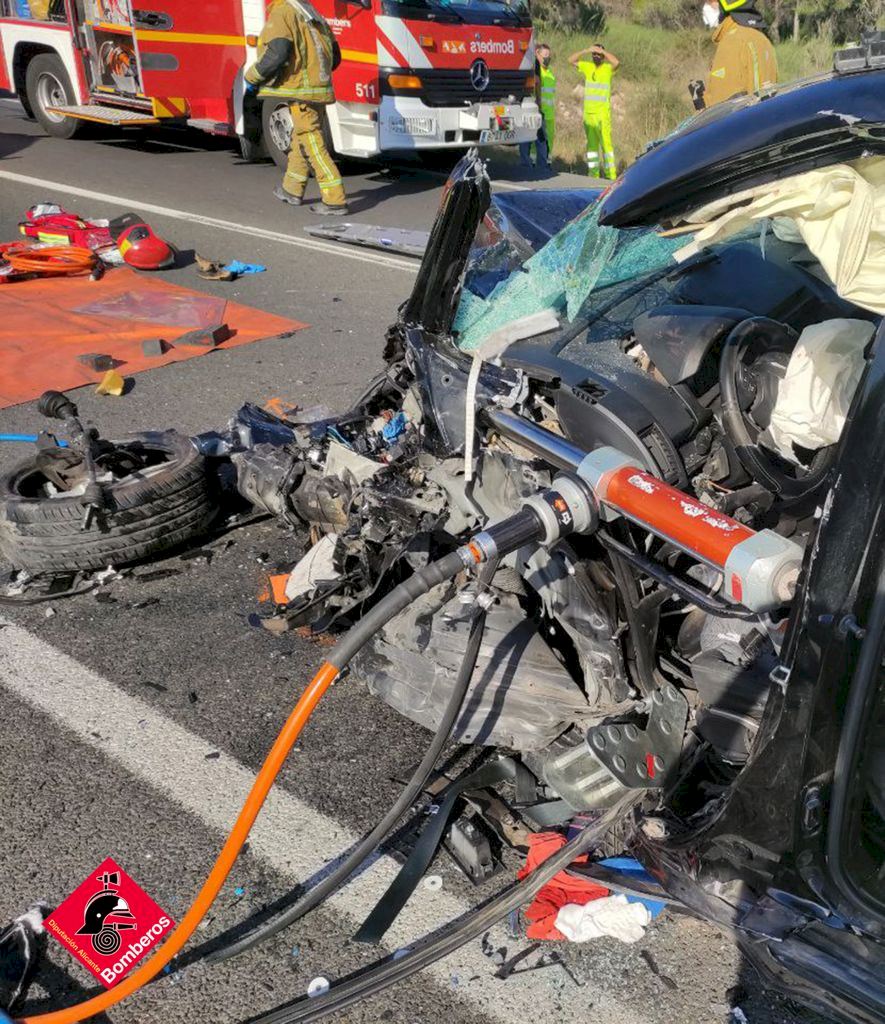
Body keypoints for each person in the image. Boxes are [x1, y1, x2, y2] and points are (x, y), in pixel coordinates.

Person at [245, 0, 348, 216]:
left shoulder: (283, 12)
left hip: (301, 92)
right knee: (299, 139)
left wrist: (252, 76)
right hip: (318, 89)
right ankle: (292, 189)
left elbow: (277, 53)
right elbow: (335, 57)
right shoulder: (312, 13)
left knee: (312, 142)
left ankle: (334, 199)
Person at [699, 0, 778, 108]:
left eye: (711, 1)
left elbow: (721, 108)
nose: (706, 5)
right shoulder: (762, 39)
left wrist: (704, 105)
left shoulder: (732, 41)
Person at [569, 43, 620, 181]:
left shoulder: (607, 68)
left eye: (599, 54)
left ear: (603, 56)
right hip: (589, 114)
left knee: (606, 145)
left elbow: (616, 62)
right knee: (592, 147)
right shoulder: (587, 66)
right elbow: (571, 60)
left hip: (602, 114)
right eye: (594, 54)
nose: (596, 56)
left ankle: (611, 175)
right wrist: (586, 50)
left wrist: (603, 51)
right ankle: (593, 175)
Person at [518, 43, 555, 174]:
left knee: (530, 136)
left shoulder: (527, 62)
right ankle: (539, 165)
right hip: (531, 104)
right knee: (538, 137)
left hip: (528, 103)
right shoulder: (534, 64)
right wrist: (538, 103)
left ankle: (529, 164)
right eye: (545, 55)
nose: (547, 58)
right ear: (537, 53)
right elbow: (537, 82)